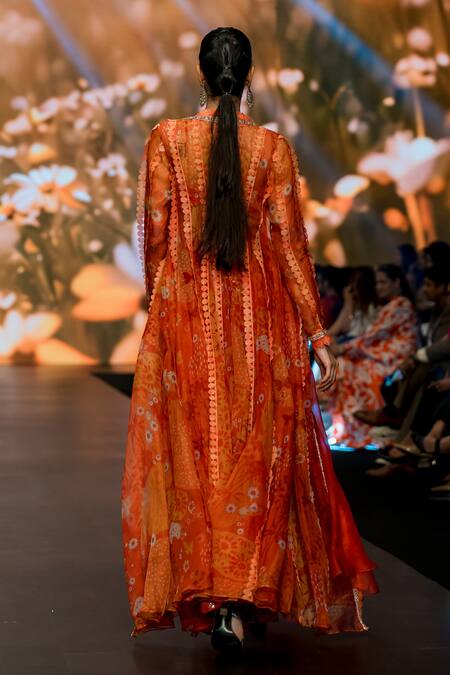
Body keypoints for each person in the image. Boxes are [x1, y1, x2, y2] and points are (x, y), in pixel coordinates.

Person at [121, 27, 378, 654]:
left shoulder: (167, 140)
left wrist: (162, 305)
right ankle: (243, 597)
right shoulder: (272, 149)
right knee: (259, 454)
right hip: (260, 323)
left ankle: (221, 601)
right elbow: (290, 250)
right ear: (251, 76)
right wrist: (317, 333)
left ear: (201, 75)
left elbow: (156, 237)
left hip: (187, 320)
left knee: (197, 455)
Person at [325, 264, 419, 447]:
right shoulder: (392, 305)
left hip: (397, 360)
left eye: (383, 282)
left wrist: (343, 348)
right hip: (384, 356)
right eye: (377, 283)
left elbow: (373, 336)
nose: (379, 287)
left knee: (347, 366)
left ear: (397, 282)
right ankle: (347, 428)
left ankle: (362, 429)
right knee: (344, 365)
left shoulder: (401, 305)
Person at [354, 266, 450, 434]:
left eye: (428, 284)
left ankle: (394, 418)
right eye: (376, 283)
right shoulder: (437, 309)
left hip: (434, 363)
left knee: (417, 373)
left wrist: (416, 357)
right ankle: (395, 420)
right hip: (427, 360)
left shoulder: (401, 304)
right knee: (409, 372)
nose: (424, 289)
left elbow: (444, 346)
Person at [328, 266, 378, 342]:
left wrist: (348, 303)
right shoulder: (357, 305)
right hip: (350, 341)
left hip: (357, 342)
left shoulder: (373, 307)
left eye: (354, 287)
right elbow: (333, 330)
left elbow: (345, 327)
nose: (353, 292)